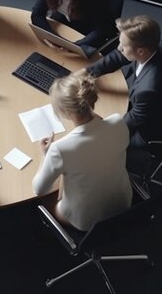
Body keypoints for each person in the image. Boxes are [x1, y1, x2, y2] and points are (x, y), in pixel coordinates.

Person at [32, 74, 132, 231]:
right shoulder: (118, 121)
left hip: (87, 220)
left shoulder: (60, 149)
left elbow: (39, 189)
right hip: (124, 203)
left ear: (65, 112)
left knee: (47, 199)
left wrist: (45, 155)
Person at [77, 15, 162, 149]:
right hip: (161, 101)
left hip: (158, 128)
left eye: (123, 46)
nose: (119, 48)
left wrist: (94, 127)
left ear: (140, 51)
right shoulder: (157, 41)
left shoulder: (148, 89)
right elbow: (119, 56)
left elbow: (128, 125)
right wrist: (88, 72)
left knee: (96, 144)